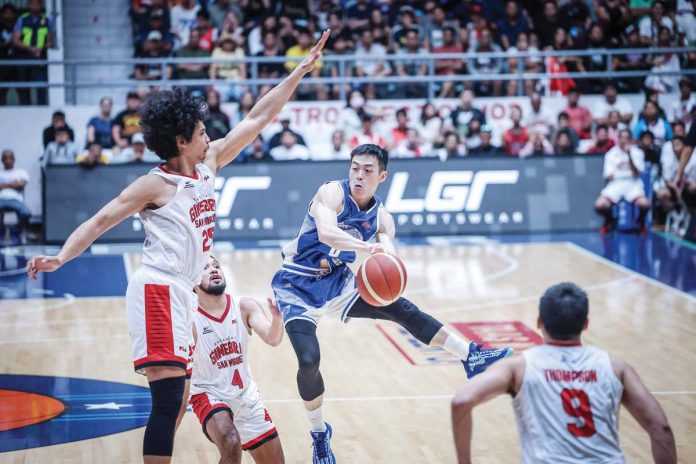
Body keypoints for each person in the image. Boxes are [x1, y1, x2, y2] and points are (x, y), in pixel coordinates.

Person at [27, 31, 329, 464]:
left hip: (181, 293)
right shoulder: (156, 183)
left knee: (178, 397)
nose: (211, 137)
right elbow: (101, 219)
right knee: (169, 400)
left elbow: (258, 117)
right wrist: (61, 256)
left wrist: (298, 72)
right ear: (182, 141)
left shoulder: (208, 164)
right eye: (203, 132)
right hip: (158, 287)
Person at [270, 143, 513, 463]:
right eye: (355, 168)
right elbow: (327, 233)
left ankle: (471, 355)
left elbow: (390, 257)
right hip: (296, 285)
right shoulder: (332, 193)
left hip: (337, 283)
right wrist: (367, 250)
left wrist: (387, 264)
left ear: (381, 176)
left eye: (367, 171)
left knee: (401, 306)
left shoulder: (382, 218)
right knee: (309, 360)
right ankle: (319, 434)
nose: (359, 175)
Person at [451, 282, 677, 464]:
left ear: (539, 322)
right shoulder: (616, 367)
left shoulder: (518, 367)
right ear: (585, 324)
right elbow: (661, 428)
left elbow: (461, 400)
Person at [189, 256, 285, 464]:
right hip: (208, 393)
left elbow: (273, 338)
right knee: (231, 442)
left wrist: (277, 319)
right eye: (205, 268)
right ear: (194, 284)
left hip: (246, 396)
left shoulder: (244, 306)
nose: (214, 270)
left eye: (216, 266)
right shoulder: (191, 320)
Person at [594, 129, 650, 233]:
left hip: (633, 184)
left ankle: (640, 222)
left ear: (631, 139)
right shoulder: (611, 154)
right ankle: (609, 220)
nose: (624, 140)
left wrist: (629, 156)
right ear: (618, 139)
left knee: (645, 204)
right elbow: (609, 175)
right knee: (599, 205)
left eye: (626, 138)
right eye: (621, 138)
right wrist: (623, 174)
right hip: (616, 184)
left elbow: (637, 173)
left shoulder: (638, 152)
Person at [0, 149, 30, 245]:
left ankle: (15, 231)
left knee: (26, 213)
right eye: (5, 158)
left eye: (10, 158)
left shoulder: (21, 172)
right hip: (1, 199)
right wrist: (14, 184)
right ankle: (2, 231)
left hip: (16, 200)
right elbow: (17, 185)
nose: (8, 161)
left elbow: (21, 185)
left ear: (14, 159)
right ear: (2, 160)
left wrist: (4, 185)